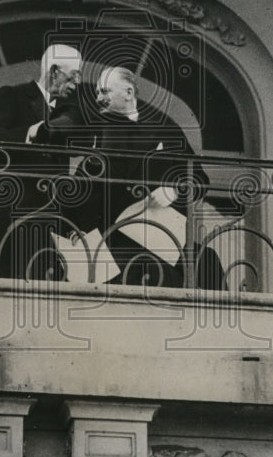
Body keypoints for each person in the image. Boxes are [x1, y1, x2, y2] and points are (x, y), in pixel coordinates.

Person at [68, 65, 225, 290]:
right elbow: (79, 193)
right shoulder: (97, 132)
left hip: (162, 240)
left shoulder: (165, 127)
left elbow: (198, 178)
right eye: (97, 93)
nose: (99, 98)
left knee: (208, 263)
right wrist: (76, 230)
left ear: (129, 93)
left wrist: (173, 190)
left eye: (105, 92)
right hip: (114, 240)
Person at [0, 44, 83, 279]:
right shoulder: (13, 96)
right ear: (54, 72)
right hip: (9, 215)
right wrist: (30, 133)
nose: (78, 83)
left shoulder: (67, 112)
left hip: (45, 223)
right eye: (73, 76)